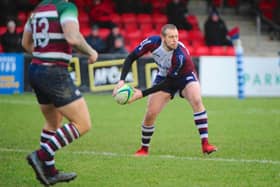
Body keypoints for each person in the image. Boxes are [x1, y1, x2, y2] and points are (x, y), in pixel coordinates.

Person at [21, 0, 98, 185]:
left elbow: (25, 43)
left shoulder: (38, 9)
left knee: (52, 122)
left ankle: (49, 171)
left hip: (36, 69)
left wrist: (43, 55)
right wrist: (91, 52)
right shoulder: (66, 7)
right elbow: (73, 37)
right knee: (83, 123)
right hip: (54, 72)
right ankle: (42, 155)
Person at [113, 24, 217, 156]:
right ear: (163, 38)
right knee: (150, 114)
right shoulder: (152, 42)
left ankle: (205, 144)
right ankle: (144, 149)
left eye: (176, 36)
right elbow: (131, 57)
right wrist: (121, 80)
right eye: (171, 37)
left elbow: (169, 82)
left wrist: (142, 93)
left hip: (185, 77)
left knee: (197, 100)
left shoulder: (180, 55)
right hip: (164, 76)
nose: (175, 40)